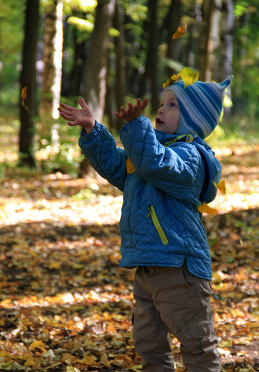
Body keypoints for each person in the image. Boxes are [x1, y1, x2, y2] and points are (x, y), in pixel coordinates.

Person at [58, 73, 231, 372]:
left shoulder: (191, 156)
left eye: (173, 105)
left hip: (180, 267)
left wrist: (137, 126)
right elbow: (117, 166)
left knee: (196, 343)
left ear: (193, 120)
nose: (161, 110)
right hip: (149, 263)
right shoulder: (149, 152)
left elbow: (157, 164)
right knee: (149, 344)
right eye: (162, 104)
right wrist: (92, 129)